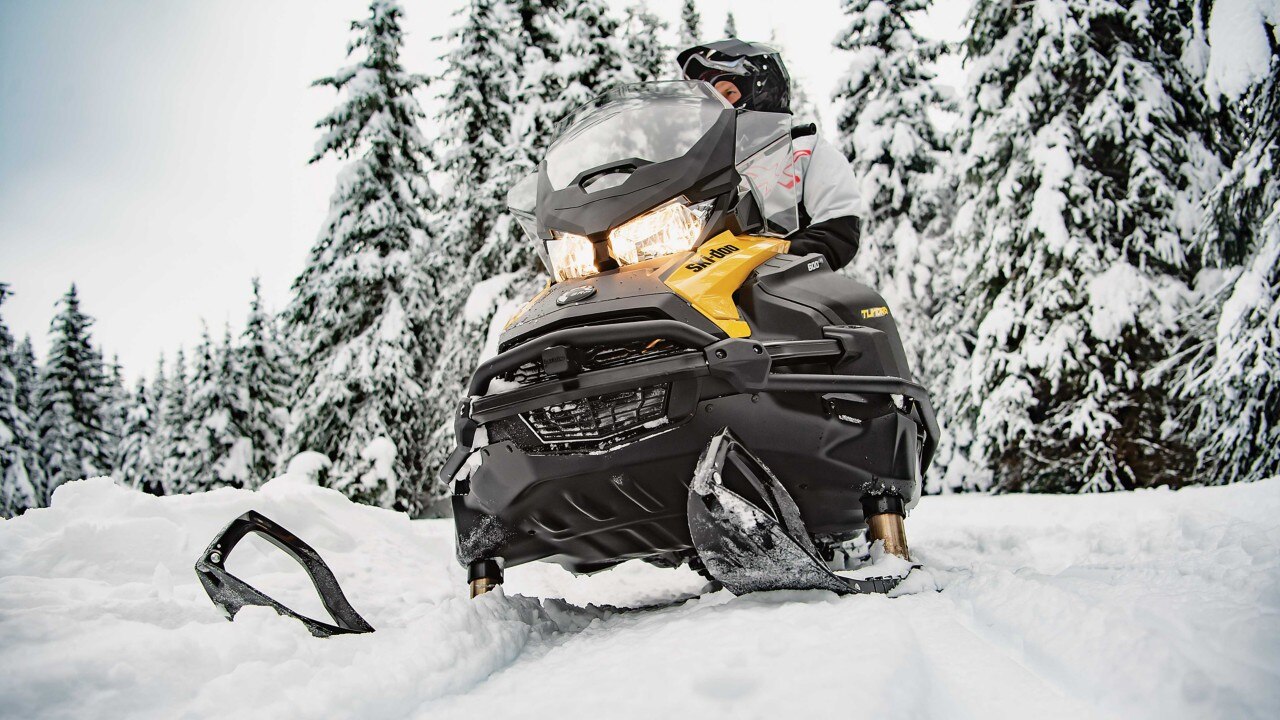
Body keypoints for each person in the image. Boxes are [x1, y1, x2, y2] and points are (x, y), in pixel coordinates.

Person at [677, 39, 862, 270]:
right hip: (709, 282)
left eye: (729, 93)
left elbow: (839, 229)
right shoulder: (707, 166)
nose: (720, 105)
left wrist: (775, 256)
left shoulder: (804, 150)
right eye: (712, 99)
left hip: (788, 284)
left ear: (762, 91)